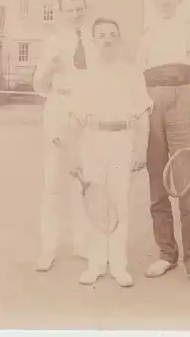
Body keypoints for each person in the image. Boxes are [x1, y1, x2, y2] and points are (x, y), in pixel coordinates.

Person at [137, 0, 190, 293]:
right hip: (153, 107)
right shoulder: (147, 36)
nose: (166, 1)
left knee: (188, 186)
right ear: (154, 0)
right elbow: (135, 81)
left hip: (185, 104)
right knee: (157, 183)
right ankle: (166, 253)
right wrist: (142, 114)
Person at [69, 18, 152, 287]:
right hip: (93, 141)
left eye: (112, 34)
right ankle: (96, 264)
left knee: (119, 203)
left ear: (119, 40)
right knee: (96, 204)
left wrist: (141, 147)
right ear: (93, 41)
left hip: (122, 141)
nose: (107, 39)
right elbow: (75, 118)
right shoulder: (85, 76)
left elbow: (142, 114)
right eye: (101, 35)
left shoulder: (131, 73)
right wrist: (73, 154)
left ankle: (118, 265)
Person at [33, 0, 94, 272]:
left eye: (79, 9)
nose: (75, 14)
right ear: (61, 12)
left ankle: (82, 243)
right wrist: (49, 67)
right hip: (59, 109)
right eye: (70, 10)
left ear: (85, 9)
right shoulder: (53, 42)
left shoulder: (94, 40)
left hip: (86, 114)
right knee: (54, 181)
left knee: (84, 179)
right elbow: (39, 86)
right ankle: (49, 248)